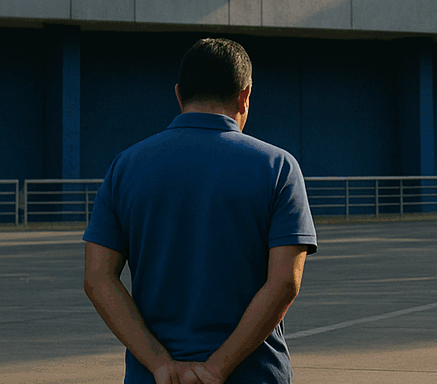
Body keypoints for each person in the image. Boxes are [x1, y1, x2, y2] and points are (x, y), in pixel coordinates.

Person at [83, 38, 317, 384]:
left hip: (155, 377)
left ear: (179, 95)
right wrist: (217, 368)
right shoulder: (278, 167)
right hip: (253, 375)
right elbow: (284, 281)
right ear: (245, 96)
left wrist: (159, 363)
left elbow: (98, 277)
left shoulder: (126, 166)